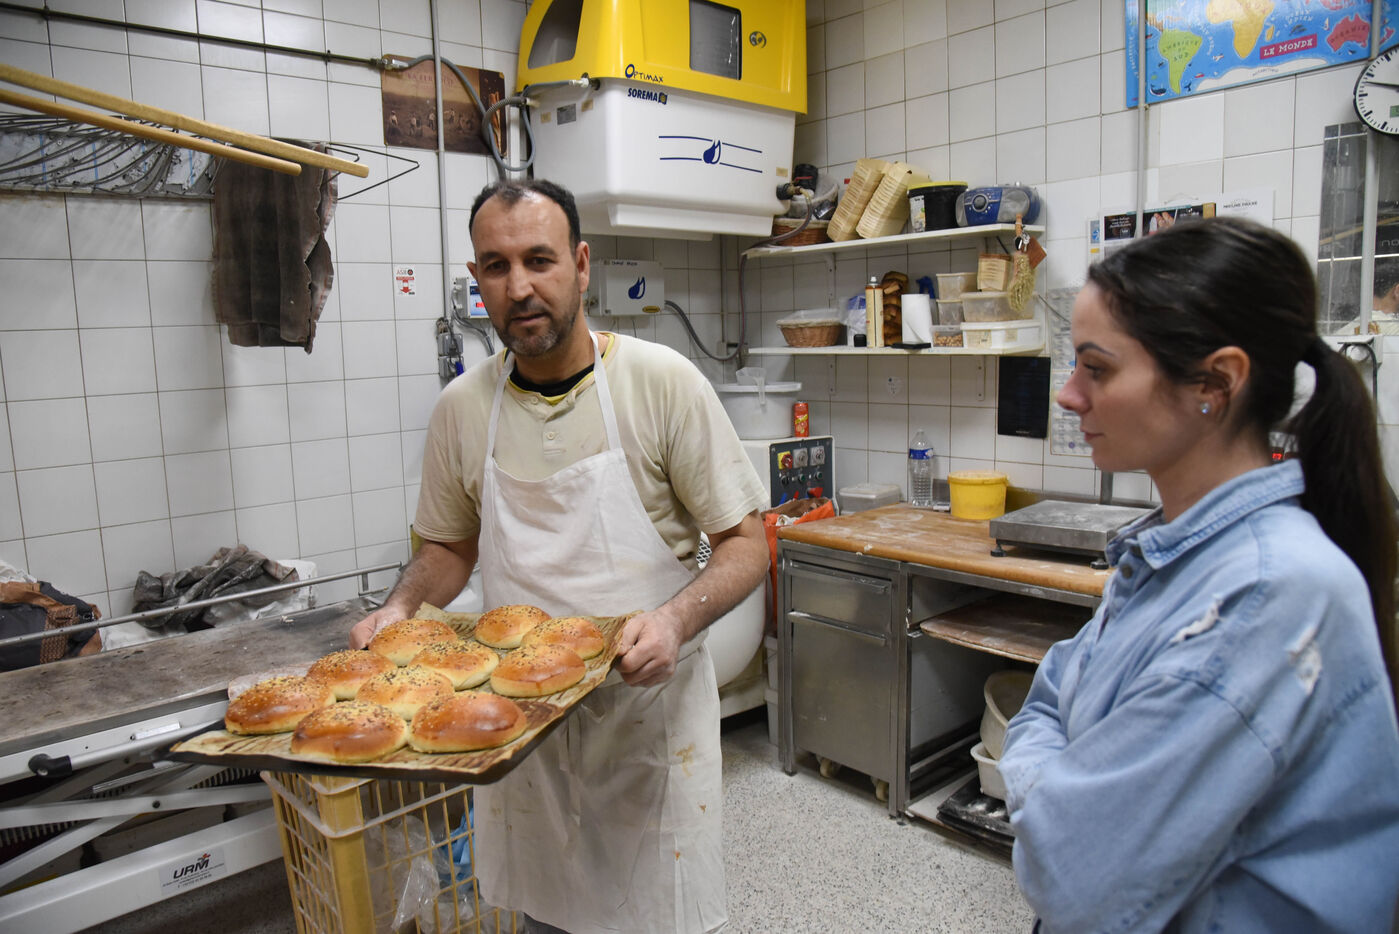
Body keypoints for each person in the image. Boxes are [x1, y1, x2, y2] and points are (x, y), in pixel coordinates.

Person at [349, 177, 769, 934]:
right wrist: (401, 607)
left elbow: (746, 543)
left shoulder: (660, 384)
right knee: (544, 915)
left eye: (538, 260)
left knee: (654, 913)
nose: (519, 287)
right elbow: (449, 547)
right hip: (521, 735)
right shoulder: (462, 409)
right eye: (496, 266)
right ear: (476, 279)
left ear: (579, 264)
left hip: (646, 725)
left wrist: (674, 622)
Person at [998, 216, 1399, 932]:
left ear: (1214, 382)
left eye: (1097, 368)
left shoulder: (1266, 593)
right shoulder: (1175, 552)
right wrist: (1062, 783)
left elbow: (1070, 869)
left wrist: (1047, 789)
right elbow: (1049, 696)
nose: (1067, 394)